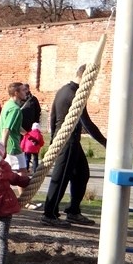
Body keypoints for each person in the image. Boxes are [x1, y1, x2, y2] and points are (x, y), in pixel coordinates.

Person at [41, 65, 107, 228]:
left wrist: (53, 139)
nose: (93, 84)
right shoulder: (73, 94)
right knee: (61, 177)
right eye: (92, 79)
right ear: (85, 77)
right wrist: (107, 143)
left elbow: (53, 117)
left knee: (82, 174)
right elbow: (87, 124)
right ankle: (49, 214)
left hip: (70, 140)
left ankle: (73, 211)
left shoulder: (65, 90)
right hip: (67, 140)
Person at [0, 82, 28, 173]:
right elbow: (6, 129)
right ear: (16, 93)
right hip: (11, 146)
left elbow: (15, 126)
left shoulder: (8, 104)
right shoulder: (15, 109)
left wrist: (28, 135)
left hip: (1, 142)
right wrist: (3, 148)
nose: (26, 92)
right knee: (21, 174)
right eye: (23, 90)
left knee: (16, 172)